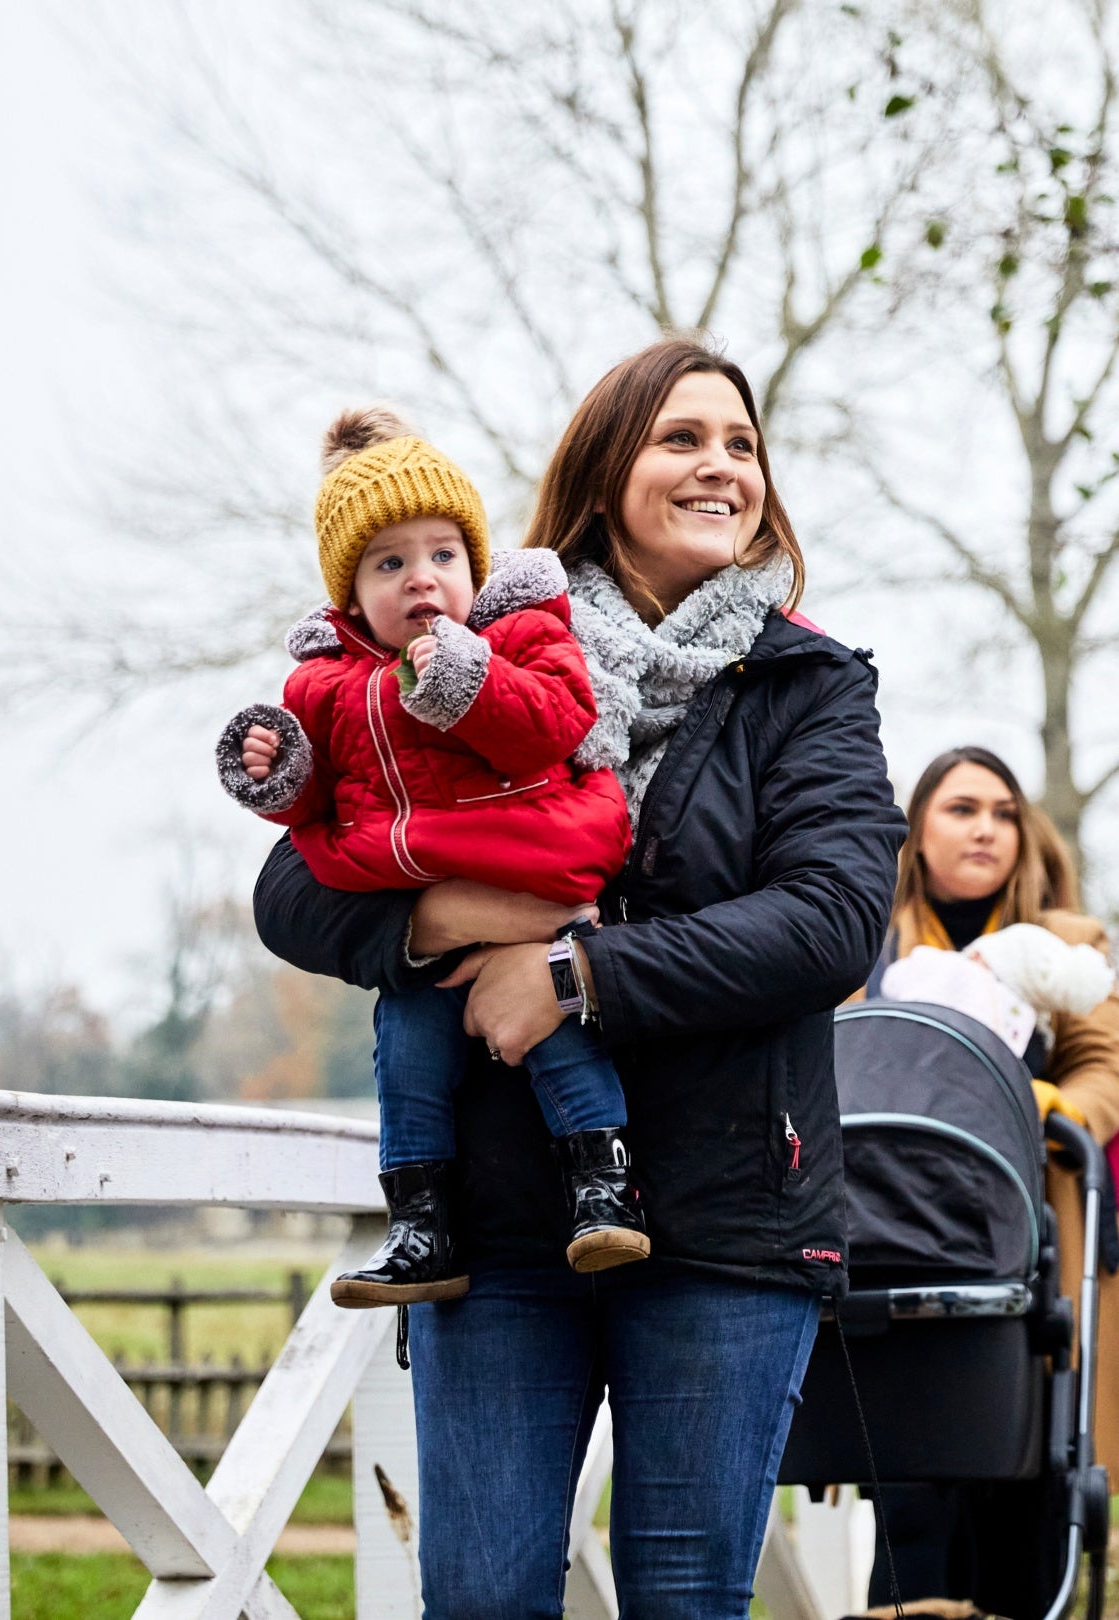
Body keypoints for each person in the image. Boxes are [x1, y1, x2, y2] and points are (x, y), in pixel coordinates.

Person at [238, 339, 909, 1619]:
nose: (721, 466)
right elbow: (290, 890)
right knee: (483, 1599)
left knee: (680, 1598)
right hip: (500, 1221)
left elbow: (829, 924)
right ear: (604, 477)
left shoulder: (810, 684)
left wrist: (573, 974)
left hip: (726, 1217)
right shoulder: (453, 651)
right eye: (682, 439)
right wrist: (436, 919)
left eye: (742, 444)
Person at [223, 406, 642, 1304]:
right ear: (348, 595)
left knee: (559, 1039)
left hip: (528, 862)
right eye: (391, 564)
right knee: (405, 1057)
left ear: (475, 565)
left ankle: (604, 1192)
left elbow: (553, 725)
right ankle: (421, 1225)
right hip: (419, 905)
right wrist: (278, 769)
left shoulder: (518, 636)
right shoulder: (325, 685)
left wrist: (462, 679)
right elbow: (318, 808)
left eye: (442, 556)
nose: (422, 580)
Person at [864, 745, 1119, 1617]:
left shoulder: (1068, 948)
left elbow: (1106, 1074)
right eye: (962, 809)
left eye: (1004, 812)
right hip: (901, 1246)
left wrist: (1035, 1103)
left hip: (1036, 1241)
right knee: (911, 1507)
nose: (986, 828)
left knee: (1031, 1485)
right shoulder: (868, 947)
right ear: (917, 831)